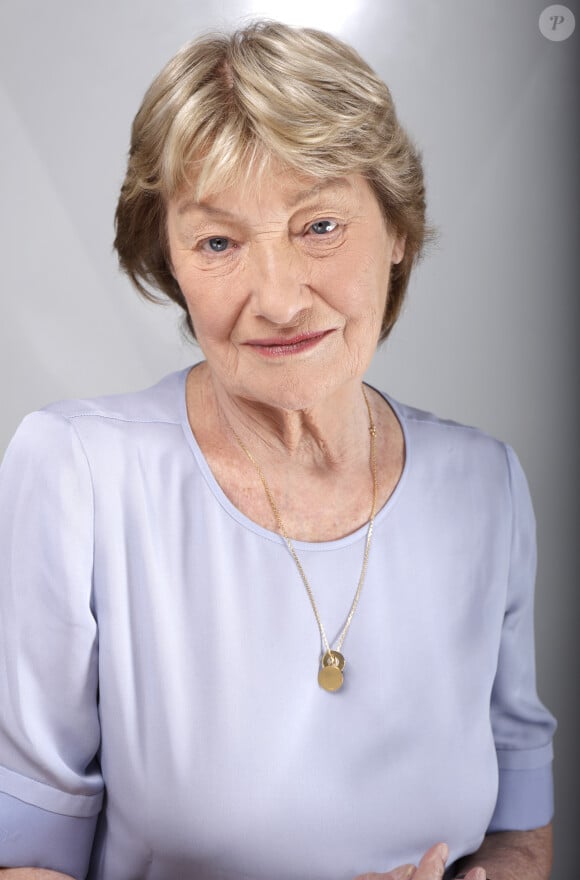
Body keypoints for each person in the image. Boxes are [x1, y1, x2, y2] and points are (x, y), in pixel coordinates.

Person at [0, 20, 556, 880]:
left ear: (398, 230)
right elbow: (22, 865)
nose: (279, 299)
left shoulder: (488, 487)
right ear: (170, 263)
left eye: (320, 225)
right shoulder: (77, 475)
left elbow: (522, 835)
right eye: (218, 242)